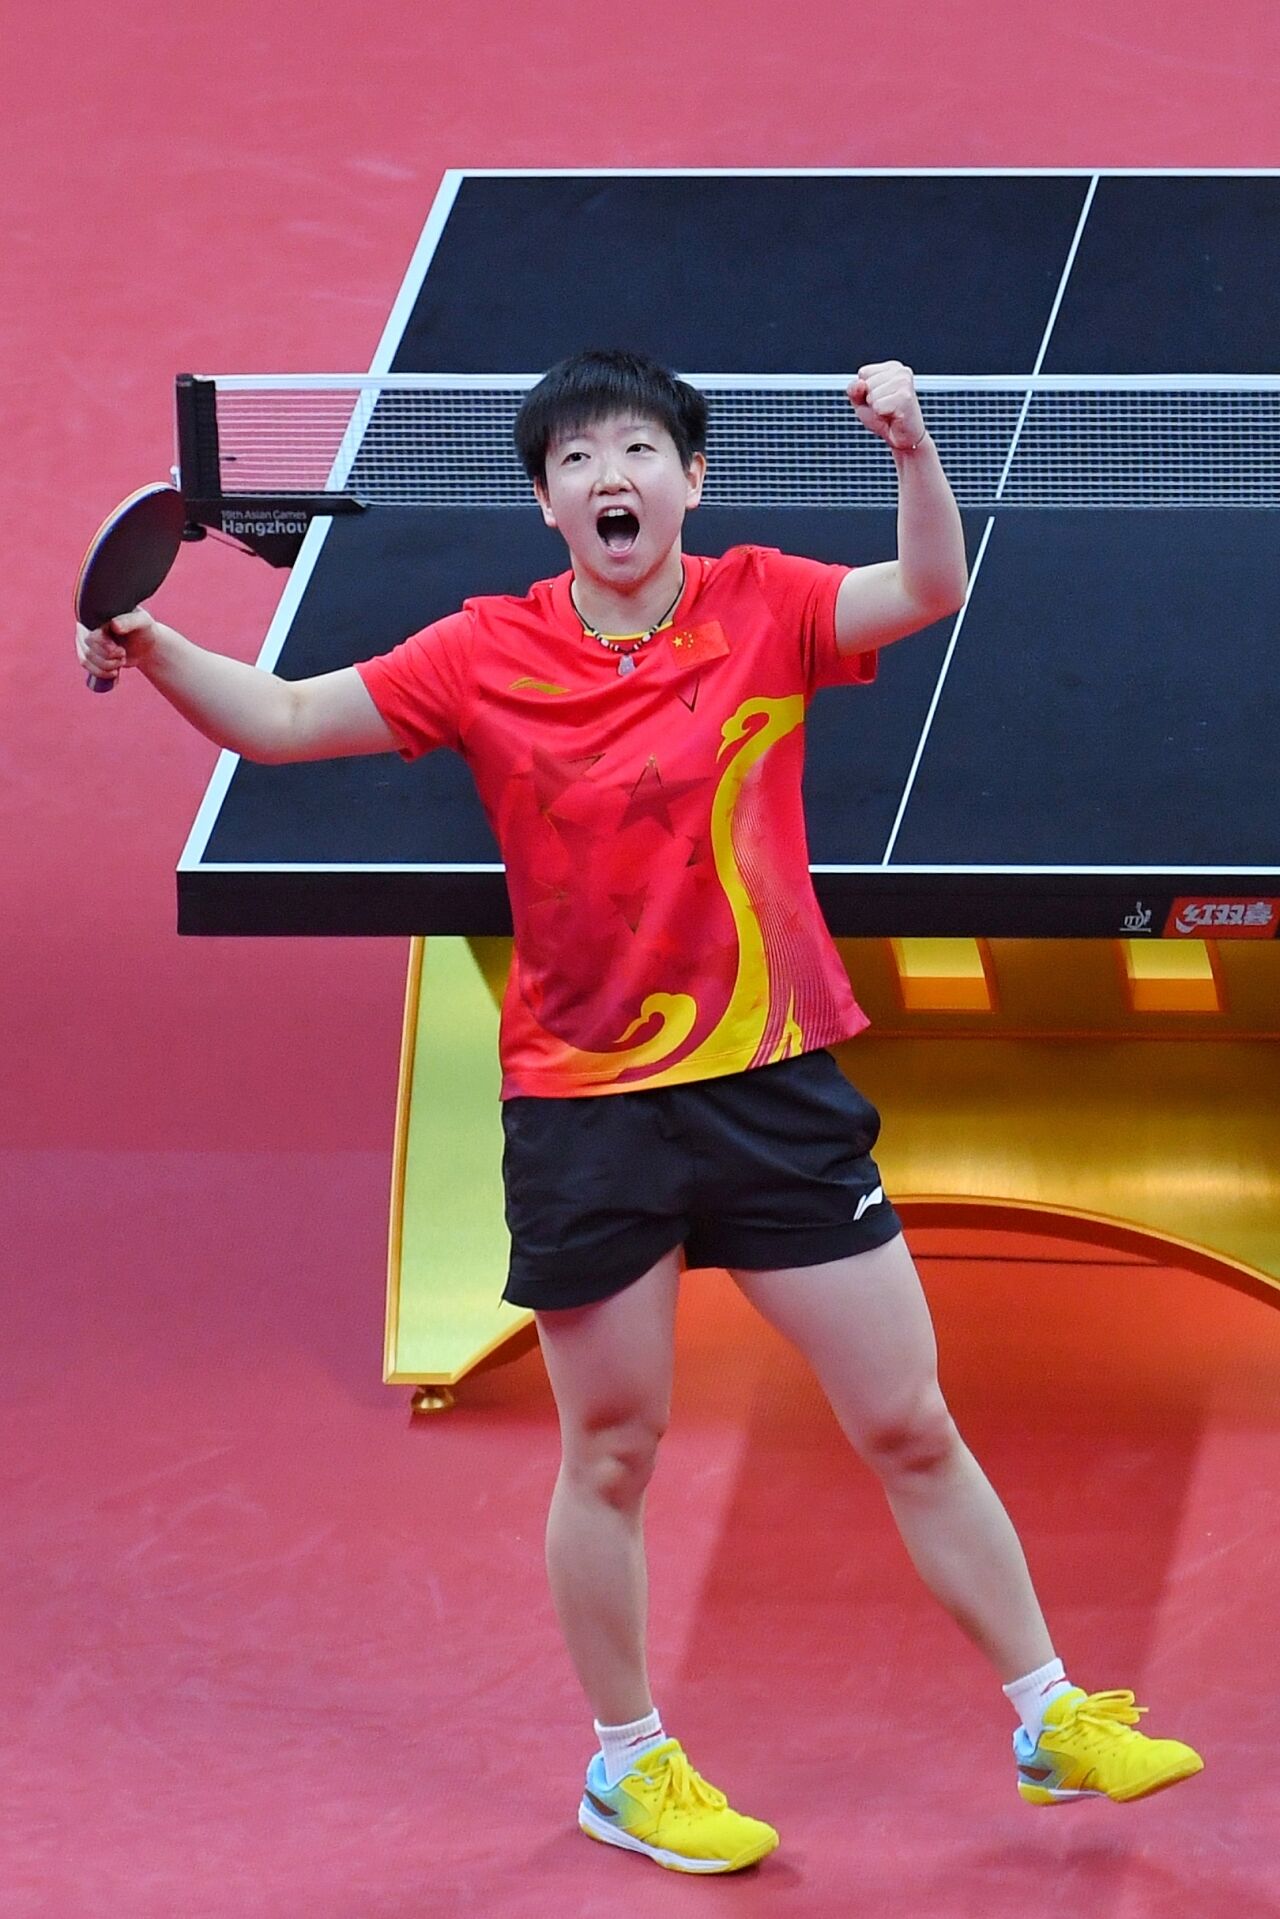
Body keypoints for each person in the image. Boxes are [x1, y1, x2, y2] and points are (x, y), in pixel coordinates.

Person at [77, 349, 1203, 1876]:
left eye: (640, 451)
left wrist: (913, 448)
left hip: (769, 1082)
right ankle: (628, 1763)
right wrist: (150, 643)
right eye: (578, 460)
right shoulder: (482, 651)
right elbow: (279, 720)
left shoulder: (765, 604)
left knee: (910, 1418)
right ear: (546, 505)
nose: (612, 477)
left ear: (692, 479)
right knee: (611, 1451)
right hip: (589, 1106)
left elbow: (930, 588)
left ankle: (1050, 1713)